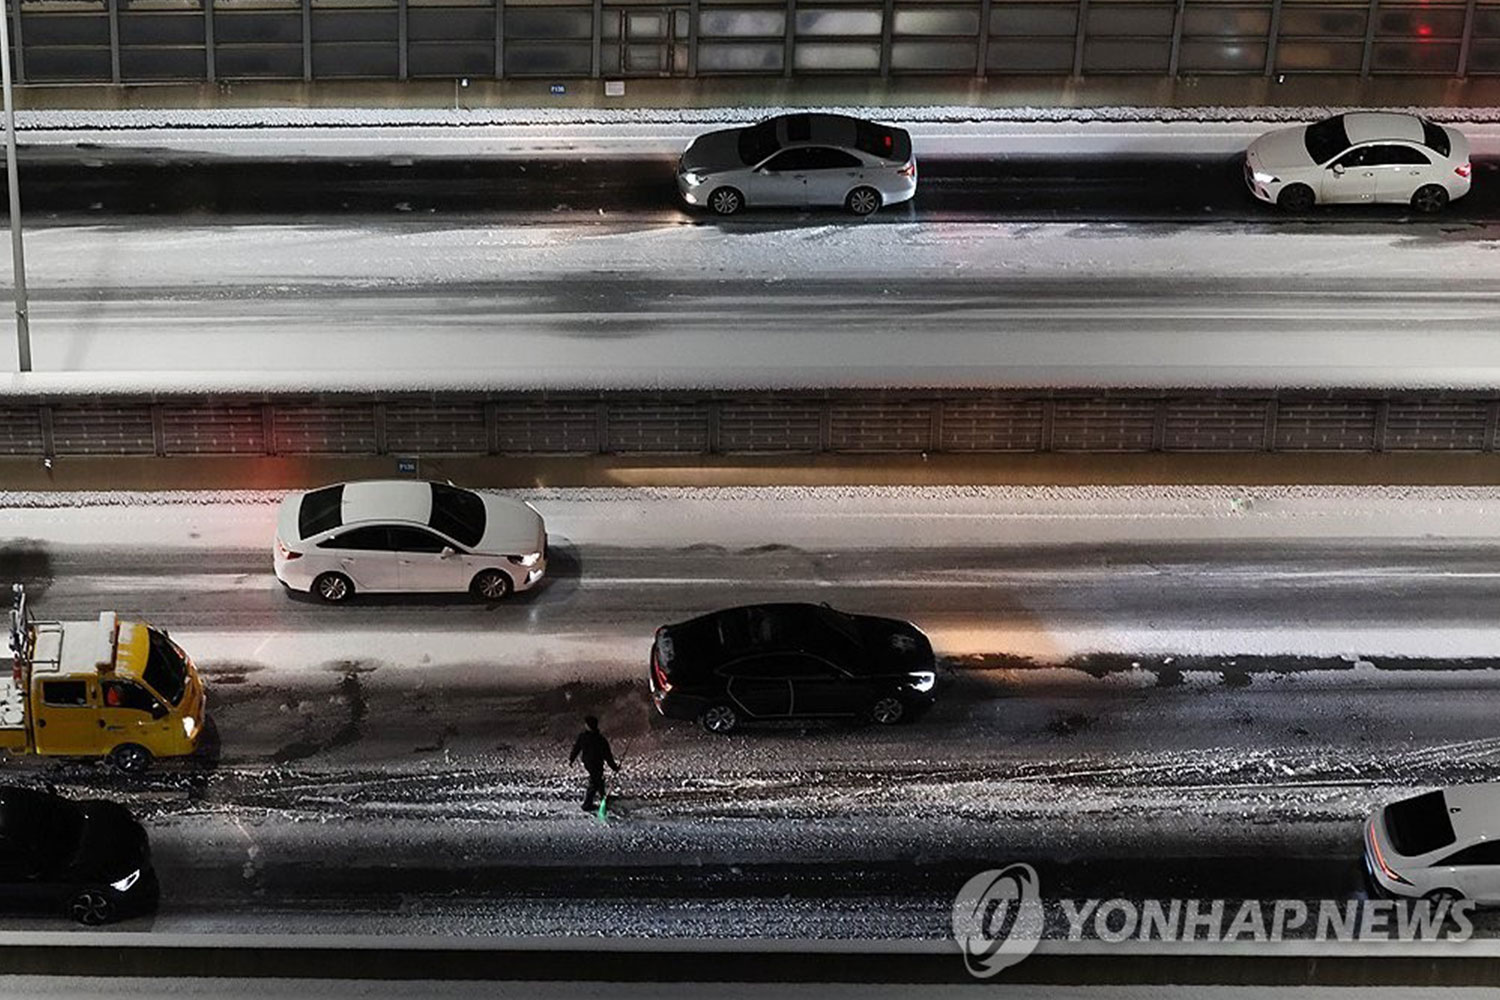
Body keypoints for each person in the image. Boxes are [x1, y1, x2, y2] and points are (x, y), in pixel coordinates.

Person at [569, 715, 620, 812]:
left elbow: (576, 749)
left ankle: (600, 800)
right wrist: (614, 767)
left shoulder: (583, 737)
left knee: (598, 781)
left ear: (588, 725)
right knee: (596, 782)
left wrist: (571, 759)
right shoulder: (600, 739)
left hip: (589, 763)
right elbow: (607, 755)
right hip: (597, 764)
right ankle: (590, 803)